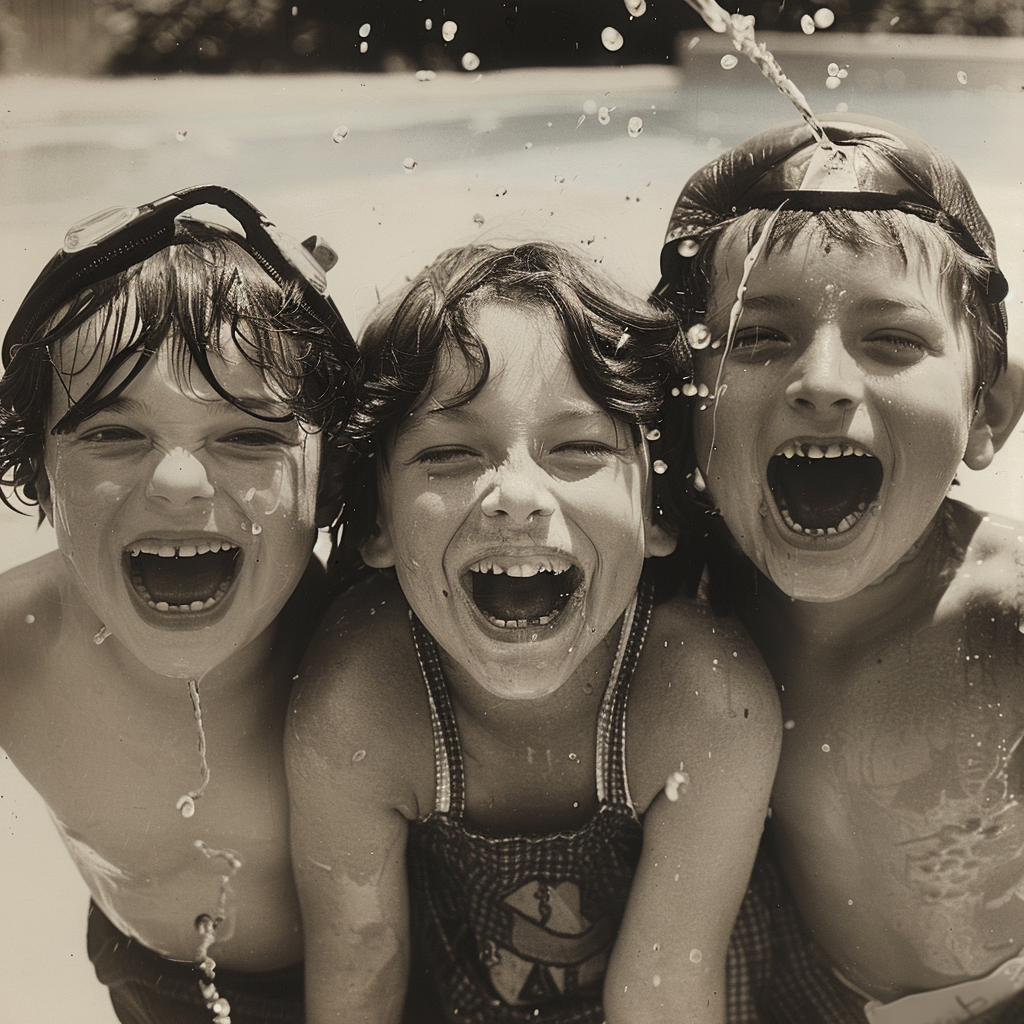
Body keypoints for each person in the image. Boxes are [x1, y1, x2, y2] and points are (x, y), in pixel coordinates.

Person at [286, 240, 781, 1024]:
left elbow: (667, 994)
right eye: (448, 454)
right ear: (376, 519)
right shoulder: (360, 704)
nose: (516, 495)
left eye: (580, 448)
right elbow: (360, 976)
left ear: (655, 510)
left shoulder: (705, 697)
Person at [654, 114, 1024, 1023]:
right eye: (758, 338)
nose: (820, 379)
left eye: (892, 341)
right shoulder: (683, 608)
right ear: (683, 408)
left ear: (990, 411)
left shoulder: (1003, 614)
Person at [0, 185, 357, 1024]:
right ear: (36, 471)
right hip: (146, 973)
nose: (178, 482)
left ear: (332, 476)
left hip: (384, 977)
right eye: (112, 434)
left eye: (247, 436)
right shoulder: (15, 647)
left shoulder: (379, 654)